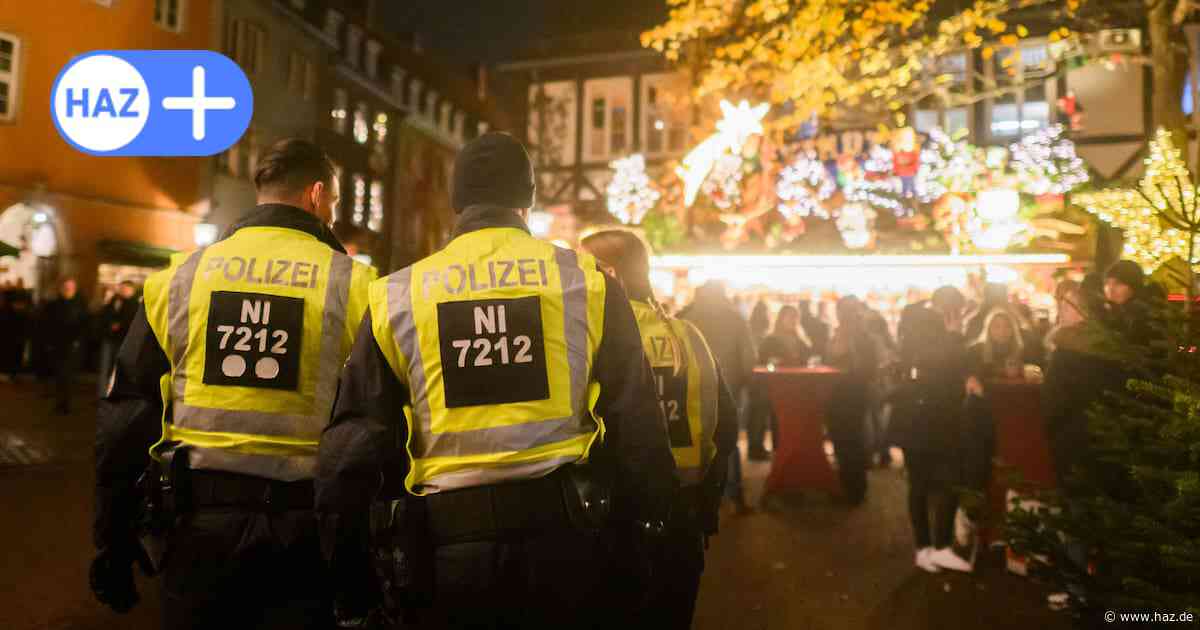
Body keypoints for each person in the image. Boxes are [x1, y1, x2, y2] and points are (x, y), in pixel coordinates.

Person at [315, 133, 676, 628]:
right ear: (527, 199)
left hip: (446, 558)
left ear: (455, 200)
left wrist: (351, 585)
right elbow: (637, 423)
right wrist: (647, 538)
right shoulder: (586, 281)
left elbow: (351, 454)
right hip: (567, 548)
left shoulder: (398, 294)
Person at [91, 138, 376, 628]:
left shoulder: (180, 278)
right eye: (333, 201)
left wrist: (113, 538)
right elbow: (370, 430)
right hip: (305, 536)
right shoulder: (358, 286)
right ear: (316, 194)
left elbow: (125, 420)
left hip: (199, 527)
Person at [581, 228, 737, 630]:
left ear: (609, 274)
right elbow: (727, 423)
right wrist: (705, 503)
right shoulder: (688, 335)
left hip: (615, 523)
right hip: (683, 519)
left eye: (585, 268)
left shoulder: (593, 335)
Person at [890, 300, 973, 573]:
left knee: (919, 486)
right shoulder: (940, 346)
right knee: (947, 482)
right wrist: (953, 334)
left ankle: (925, 548)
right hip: (937, 425)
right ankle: (938, 547)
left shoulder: (910, 346)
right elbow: (954, 368)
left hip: (916, 426)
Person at [826, 296, 875, 505]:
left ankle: (852, 490)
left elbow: (837, 359)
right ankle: (855, 488)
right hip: (853, 394)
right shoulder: (861, 335)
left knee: (846, 442)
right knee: (851, 441)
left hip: (845, 394)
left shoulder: (850, 334)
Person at [43, 277, 89, 414]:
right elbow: (47, 325)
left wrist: (78, 341)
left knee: (67, 375)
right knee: (59, 375)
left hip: (73, 347)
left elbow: (84, 326)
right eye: (66, 287)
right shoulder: (54, 305)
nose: (68, 289)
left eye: (71, 287)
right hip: (58, 345)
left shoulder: (81, 305)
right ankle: (60, 401)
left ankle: (64, 403)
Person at [95, 280, 139, 397]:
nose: (123, 290)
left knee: (120, 369)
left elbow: (133, 323)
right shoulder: (114, 300)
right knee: (105, 368)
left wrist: (119, 325)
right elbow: (103, 315)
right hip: (110, 339)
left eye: (126, 289)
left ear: (132, 290)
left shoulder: (136, 305)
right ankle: (104, 394)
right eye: (122, 288)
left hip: (124, 341)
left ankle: (117, 394)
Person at [745, 301, 773, 460]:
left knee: (755, 414)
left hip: (752, 379)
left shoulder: (750, 331)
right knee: (759, 415)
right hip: (760, 379)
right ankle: (756, 448)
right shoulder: (761, 336)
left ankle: (754, 447)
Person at [966, 309, 1025, 381]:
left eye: (1007, 326)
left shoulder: (1021, 350)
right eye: (997, 326)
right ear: (988, 329)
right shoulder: (976, 350)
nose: (1002, 331)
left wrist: (1023, 370)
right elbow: (971, 372)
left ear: (1013, 329)